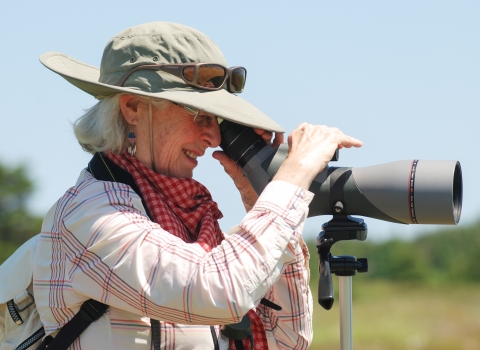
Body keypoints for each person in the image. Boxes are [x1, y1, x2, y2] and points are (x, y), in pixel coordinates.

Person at [35, 22, 362, 350]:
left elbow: (285, 341)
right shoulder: (91, 214)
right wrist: (295, 172)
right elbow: (222, 291)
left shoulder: (187, 219)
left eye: (217, 119)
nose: (215, 137)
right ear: (133, 108)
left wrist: (259, 196)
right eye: (200, 114)